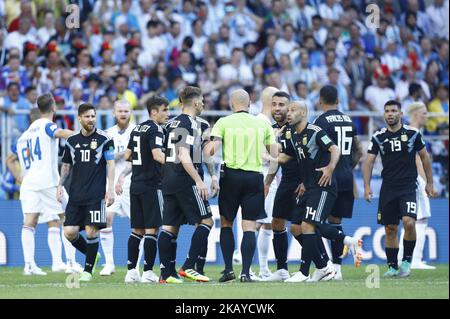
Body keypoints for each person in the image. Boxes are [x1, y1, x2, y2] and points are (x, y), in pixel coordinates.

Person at [205, 89, 278, 282]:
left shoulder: (223, 122)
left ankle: (229, 270)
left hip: (231, 177)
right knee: (249, 227)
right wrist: (268, 180)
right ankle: (246, 272)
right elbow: (275, 157)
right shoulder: (262, 124)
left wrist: (206, 142)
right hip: (254, 177)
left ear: (231, 104)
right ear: (249, 103)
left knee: (227, 223)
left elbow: (211, 151)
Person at [363, 100, 436, 278]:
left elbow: (425, 158)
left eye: (393, 110)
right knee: (390, 228)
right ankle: (392, 266)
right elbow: (369, 162)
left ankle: (407, 261)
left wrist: (430, 183)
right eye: (387, 111)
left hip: (408, 186)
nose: (390, 114)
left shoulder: (412, 133)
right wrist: (366, 186)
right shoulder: (378, 136)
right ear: (384, 114)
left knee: (409, 222)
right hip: (388, 187)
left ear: (401, 114)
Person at [276, 100, 339, 282]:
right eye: (288, 110)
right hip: (308, 186)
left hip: (322, 185)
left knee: (308, 225)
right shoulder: (295, 135)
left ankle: (304, 272)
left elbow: (335, 148)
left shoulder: (315, 131)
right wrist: (267, 151)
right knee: (296, 228)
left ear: (303, 113)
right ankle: (321, 266)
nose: (288, 113)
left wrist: (330, 168)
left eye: (293, 110)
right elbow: (285, 157)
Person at [15, 100, 80, 275]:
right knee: (69, 218)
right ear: (53, 108)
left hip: (29, 182)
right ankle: (71, 262)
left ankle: (29, 265)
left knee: (30, 222)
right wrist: (82, 134)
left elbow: (14, 156)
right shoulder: (46, 125)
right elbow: (59, 132)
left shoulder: (26, 134)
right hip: (48, 182)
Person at [158, 86, 214, 284]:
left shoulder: (172, 123)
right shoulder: (186, 123)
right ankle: (189, 266)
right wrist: (199, 180)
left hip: (169, 178)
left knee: (170, 227)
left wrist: (211, 175)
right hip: (185, 179)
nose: (204, 104)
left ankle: (166, 274)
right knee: (207, 221)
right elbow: (183, 155)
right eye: (203, 101)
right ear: (196, 102)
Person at [57, 103, 116, 282]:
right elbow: (66, 165)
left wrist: (110, 188)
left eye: (93, 116)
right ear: (80, 118)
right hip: (75, 194)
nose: (91, 120)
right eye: (87, 116)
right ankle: (93, 255)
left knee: (92, 231)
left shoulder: (105, 139)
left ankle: (88, 271)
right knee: (69, 232)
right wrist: (60, 185)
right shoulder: (72, 140)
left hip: (95, 194)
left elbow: (111, 164)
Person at [115, 95, 169, 283]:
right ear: (154, 112)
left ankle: (131, 272)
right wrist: (177, 163)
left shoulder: (137, 128)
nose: (168, 114)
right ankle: (147, 272)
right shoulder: (155, 129)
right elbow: (157, 155)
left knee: (136, 230)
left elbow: (128, 155)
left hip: (135, 184)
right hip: (151, 186)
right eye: (165, 110)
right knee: (152, 230)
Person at [312, 85, 363, 280]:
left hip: (328, 175)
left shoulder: (321, 121)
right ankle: (337, 268)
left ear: (320, 100)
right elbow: (359, 150)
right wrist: (348, 168)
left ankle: (323, 266)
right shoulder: (349, 120)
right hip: (346, 176)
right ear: (338, 100)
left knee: (313, 221)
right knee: (336, 222)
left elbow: (315, 149)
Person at [262, 91, 302, 282]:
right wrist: (268, 183)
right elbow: (276, 162)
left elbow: (287, 157)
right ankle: (282, 269)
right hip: (286, 181)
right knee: (277, 222)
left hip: (301, 181)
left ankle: (324, 264)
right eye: (274, 104)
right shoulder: (271, 129)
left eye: (282, 105)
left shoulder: (295, 128)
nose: (277, 108)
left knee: (301, 227)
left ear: (290, 108)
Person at [99, 100, 136, 276]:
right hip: (111, 182)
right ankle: (109, 263)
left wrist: (120, 155)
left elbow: (137, 157)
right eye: (120, 111)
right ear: (114, 113)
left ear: (130, 112)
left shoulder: (137, 131)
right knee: (106, 219)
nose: (123, 114)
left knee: (138, 225)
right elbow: (102, 159)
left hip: (132, 182)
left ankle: (134, 267)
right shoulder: (107, 134)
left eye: (126, 111)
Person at [402, 102, 436, 270]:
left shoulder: (408, 131)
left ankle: (408, 258)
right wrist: (425, 182)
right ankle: (415, 259)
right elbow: (417, 159)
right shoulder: (413, 132)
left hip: (407, 179)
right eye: (424, 113)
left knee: (411, 219)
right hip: (415, 179)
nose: (426, 116)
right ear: (415, 114)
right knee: (420, 217)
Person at [254, 86, 279, 279]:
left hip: (270, 176)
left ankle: (263, 269)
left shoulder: (268, 123)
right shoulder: (260, 123)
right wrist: (274, 158)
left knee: (267, 223)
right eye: (278, 102)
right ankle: (247, 266)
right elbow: (256, 151)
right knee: (256, 222)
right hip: (263, 175)